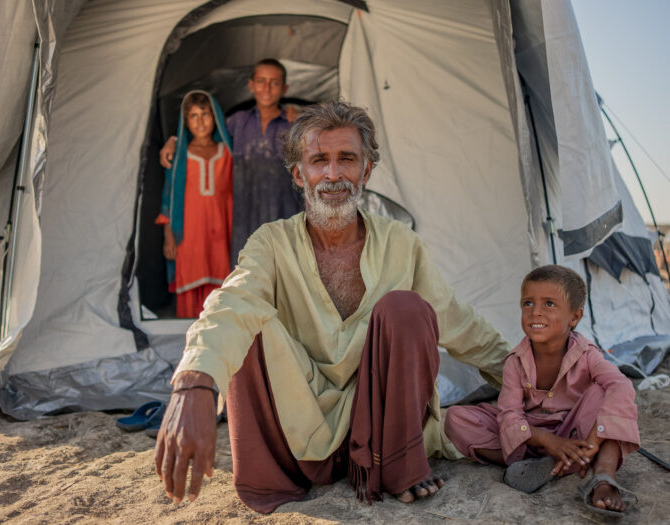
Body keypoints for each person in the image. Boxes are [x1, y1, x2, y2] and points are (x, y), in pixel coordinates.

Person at [154, 101, 511, 513]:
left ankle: (398, 465)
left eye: (347, 159)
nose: (333, 174)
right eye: (319, 160)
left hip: (379, 435)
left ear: (366, 171)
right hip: (296, 435)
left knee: (408, 310)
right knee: (247, 319)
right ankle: (282, 483)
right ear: (298, 173)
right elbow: (231, 303)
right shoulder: (271, 243)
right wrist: (194, 383)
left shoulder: (401, 243)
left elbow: (458, 323)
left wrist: (529, 380)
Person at [445, 265, 639, 516]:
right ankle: (549, 463)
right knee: (457, 418)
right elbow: (509, 417)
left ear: (574, 317)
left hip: (575, 434)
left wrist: (593, 442)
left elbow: (621, 386)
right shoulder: (515, 361)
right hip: (530, 439)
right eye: (527, 303)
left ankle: (602, 477)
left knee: (608, 395)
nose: (535, 312)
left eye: (549, 304)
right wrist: (549, 440)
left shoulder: (587, 355)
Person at [160, 58, 303, 268]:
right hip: (243, 215)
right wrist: (174, 141)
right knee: (246, 273)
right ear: (251, 85)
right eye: (261, 81)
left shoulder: (294, 124)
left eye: (274, 82)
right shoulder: (237, 122)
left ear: (285, 88)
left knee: (284, 272)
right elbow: (204, 138)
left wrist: (302, 114)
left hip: (283, 213)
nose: (267, 88)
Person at [155, 90, 233, 318]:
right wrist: (169, 236)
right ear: (185, 121)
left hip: (221, 237)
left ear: (216, 117)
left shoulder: (228, 152)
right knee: (189, 294)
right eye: (194, 116)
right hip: (188, 238)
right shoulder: (179, 156)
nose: (200, 121)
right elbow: (167, 198)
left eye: (206, 114)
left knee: (222, 293)